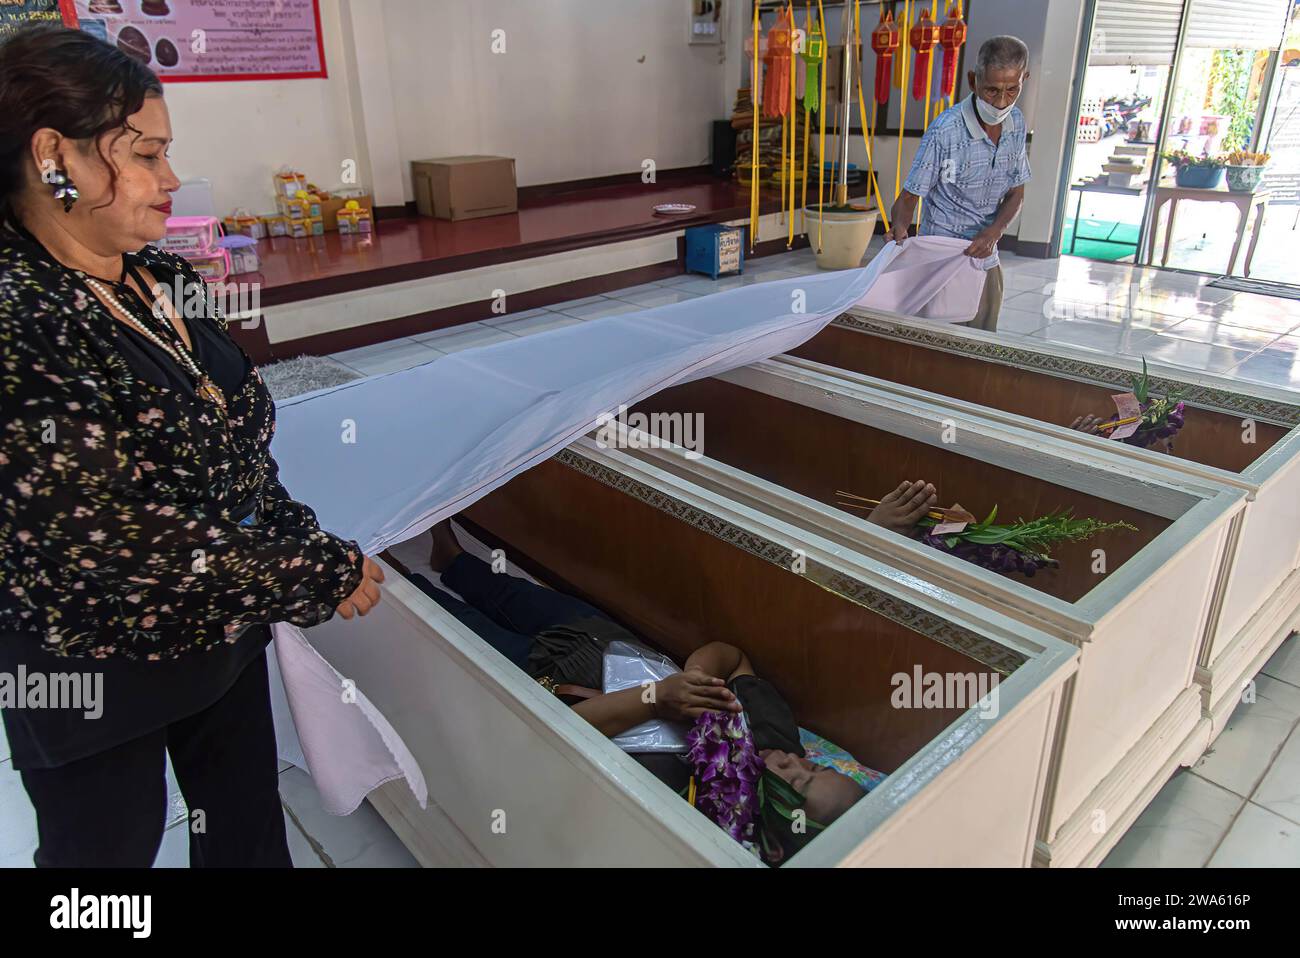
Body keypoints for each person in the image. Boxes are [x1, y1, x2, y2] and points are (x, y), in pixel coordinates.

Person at [0, 25, 386, 867]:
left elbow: (237, 433)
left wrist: (293, 532)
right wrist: (315, 569)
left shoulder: (160, 277)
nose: (170, 180)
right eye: (144, 154)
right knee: (104, 860)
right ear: (54, 158)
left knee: (244, 830)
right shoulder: (21, 318)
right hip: (93, 665)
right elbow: (114, 542)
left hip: (217, 627)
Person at [383, 508, 935, 863]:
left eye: (798, 780)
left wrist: (655, 699)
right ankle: (450, 557)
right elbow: (734, 656)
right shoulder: (772, 736)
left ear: (775, 826)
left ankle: (383, 573)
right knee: (505, 592)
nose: (794, 761)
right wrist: (693, 673)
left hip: (541, 678)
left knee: (442, 620)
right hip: (599, 639)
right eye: (814, 765)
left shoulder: (683, 796)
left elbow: (552, 728)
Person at [888, 35, 1033, 333]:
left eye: (1011, 90)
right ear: (973, 80)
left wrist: (995, 231)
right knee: (938, 341)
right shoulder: (946, 130)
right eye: (991, 90)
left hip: (985, 256)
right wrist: (899, 228)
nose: (1001, 101)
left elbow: (1017, 191)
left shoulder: (1016, 123)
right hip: (942, 257)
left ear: (1024, 79)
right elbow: (910, 195)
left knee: (981, 340)